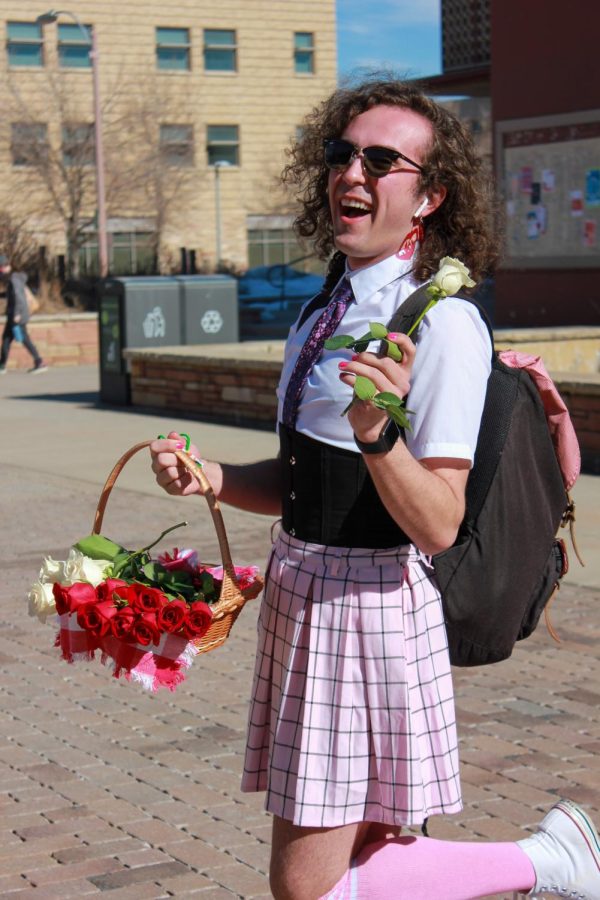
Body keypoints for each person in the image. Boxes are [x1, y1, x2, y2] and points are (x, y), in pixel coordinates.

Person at [150, 78, 600, 899]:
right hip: (304, 595)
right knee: (360, 870)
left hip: (370, 611)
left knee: (309, 885)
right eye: (341, 153)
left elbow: (439, 522)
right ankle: (552, 858)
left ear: (430, 195)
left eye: (382, 160)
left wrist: (378, 434)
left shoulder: (442, 323)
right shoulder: (323, 305)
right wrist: (211, 478)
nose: (351, 173)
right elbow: (302, 482)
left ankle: (550, 860)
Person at [0, 254, 47, 374]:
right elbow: (12, 295)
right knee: (6, 339)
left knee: (24, 339)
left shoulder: (13, 279)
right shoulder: (14, 279)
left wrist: (17, 314)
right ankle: (2, 365)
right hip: (14, 314)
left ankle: (39, 362)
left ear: (5, 267)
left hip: (17, 315)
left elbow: (19, 298)